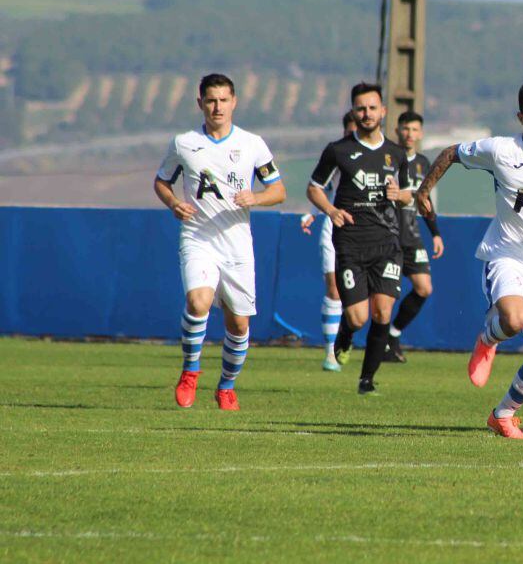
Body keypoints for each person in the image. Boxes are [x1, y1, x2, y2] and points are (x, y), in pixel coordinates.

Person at [415, 79, 523, 439]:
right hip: (506, 254)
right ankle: (488, 338)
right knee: (514, 318)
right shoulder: (500, 150)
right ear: (520, 117)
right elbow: (451, 153)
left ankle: (503, 415)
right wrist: (423, 191)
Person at [154, 73, 286, 410]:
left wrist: (255, 198)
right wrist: (173, 203)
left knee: (238, 324)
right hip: (198, 236)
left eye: (224, 100)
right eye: (211, 100)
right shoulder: (183, 143)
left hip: (237, 244)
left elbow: (279, 191)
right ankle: (190, 372)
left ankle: (226, 386)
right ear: (200, 103)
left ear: (234, 102)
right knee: (198, 302)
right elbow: (162, 182)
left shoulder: (252, 143)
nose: (217, 107)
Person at [307, 83, 411, 395]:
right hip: (351, 243)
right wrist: (330, 209)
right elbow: (313, 188)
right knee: (358, 316)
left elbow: (407, 196)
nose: (366, 114)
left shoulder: (395, 153)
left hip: (387, 243)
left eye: (372, 108)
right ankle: (346, 333)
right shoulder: (337, 150)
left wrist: (400, 194)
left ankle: (366, 380)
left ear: (383, 111)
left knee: (382, 313)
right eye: (361, 108)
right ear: (354, 111)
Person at [384, 111, 445, 363]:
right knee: (386, 294)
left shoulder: (422, 162)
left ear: (420, 134)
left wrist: (436, 233)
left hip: (412, 233)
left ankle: (392, 334)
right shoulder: (386, 158)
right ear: (397, 130)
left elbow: (425, 199)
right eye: (405, 129)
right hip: (387, 234)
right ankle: (381, 345)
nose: (410, 134)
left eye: (414, 130)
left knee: (423, 288)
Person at [300, 111, 357, 372]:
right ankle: (330, 354)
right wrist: (312, 214)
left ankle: (346, 335)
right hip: (333, 227)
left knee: (358, 298)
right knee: (333, 288)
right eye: (349, 130)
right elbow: (321, 189)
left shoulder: (378, 158)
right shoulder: (337, 155)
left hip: (365, 232)